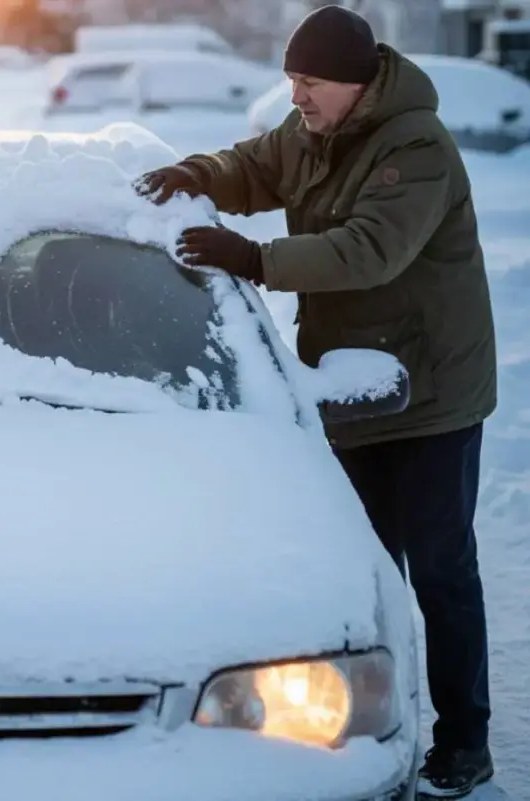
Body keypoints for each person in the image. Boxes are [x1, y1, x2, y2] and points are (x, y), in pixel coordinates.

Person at [135, 5, 498, 798]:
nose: (296, 96)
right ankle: (370, 716)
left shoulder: (415, 146)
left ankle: (465, 742)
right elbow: (252, 166)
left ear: (356, 84)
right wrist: (196, 174)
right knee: (363, 571)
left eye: (310, 82)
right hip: (352, 383)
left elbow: (371, 248)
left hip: (431, 388)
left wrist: (255, 257)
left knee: (440, 572)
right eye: (291, 80)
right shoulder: (314, 133)